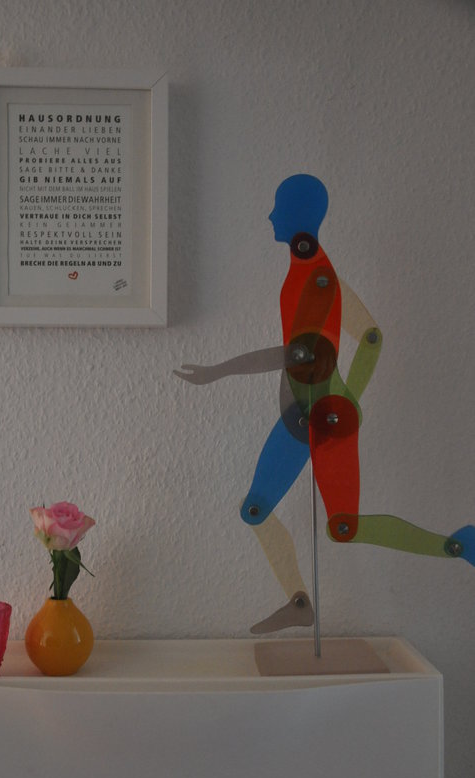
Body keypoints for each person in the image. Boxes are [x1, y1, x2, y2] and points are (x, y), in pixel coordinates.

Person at [175, 174, 475, 633]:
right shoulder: (313, 270)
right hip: (300, 418)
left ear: (298, 217)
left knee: (343, 527)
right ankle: (300, 604)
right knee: (256, 509)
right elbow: (365, 336)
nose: (270, 216)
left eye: (278, 208)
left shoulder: (318, 278)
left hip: (326, 419)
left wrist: (222, 371)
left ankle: (456, 545)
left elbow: (311, 350)